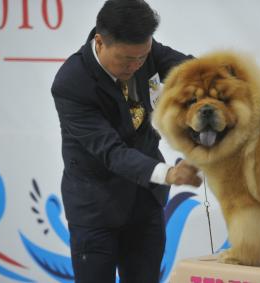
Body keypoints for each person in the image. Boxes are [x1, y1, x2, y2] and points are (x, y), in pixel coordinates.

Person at [51, 1, 201, 282]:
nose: (135, 66)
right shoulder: (71, 83)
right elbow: (111, 152)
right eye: (126, 59)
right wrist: (168, 173)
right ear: (100, 41)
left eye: (142, 58)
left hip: (145, 204)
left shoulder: (146, 50)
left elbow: (190, 71)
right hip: (96, 210)